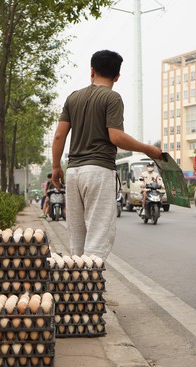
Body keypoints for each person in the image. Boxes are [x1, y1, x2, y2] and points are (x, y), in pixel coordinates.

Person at [51, 49, 162, 260]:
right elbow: (116, 137)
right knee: (98, 234)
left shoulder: (73, 98)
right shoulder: (112, 98)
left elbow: (59, 136)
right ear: (117, 76)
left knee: (77, 238)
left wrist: (56, 166)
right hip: (98, 171)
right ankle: (91, 290)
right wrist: (148, 149)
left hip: (73, 172)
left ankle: (77, 287)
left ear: (91, 71)